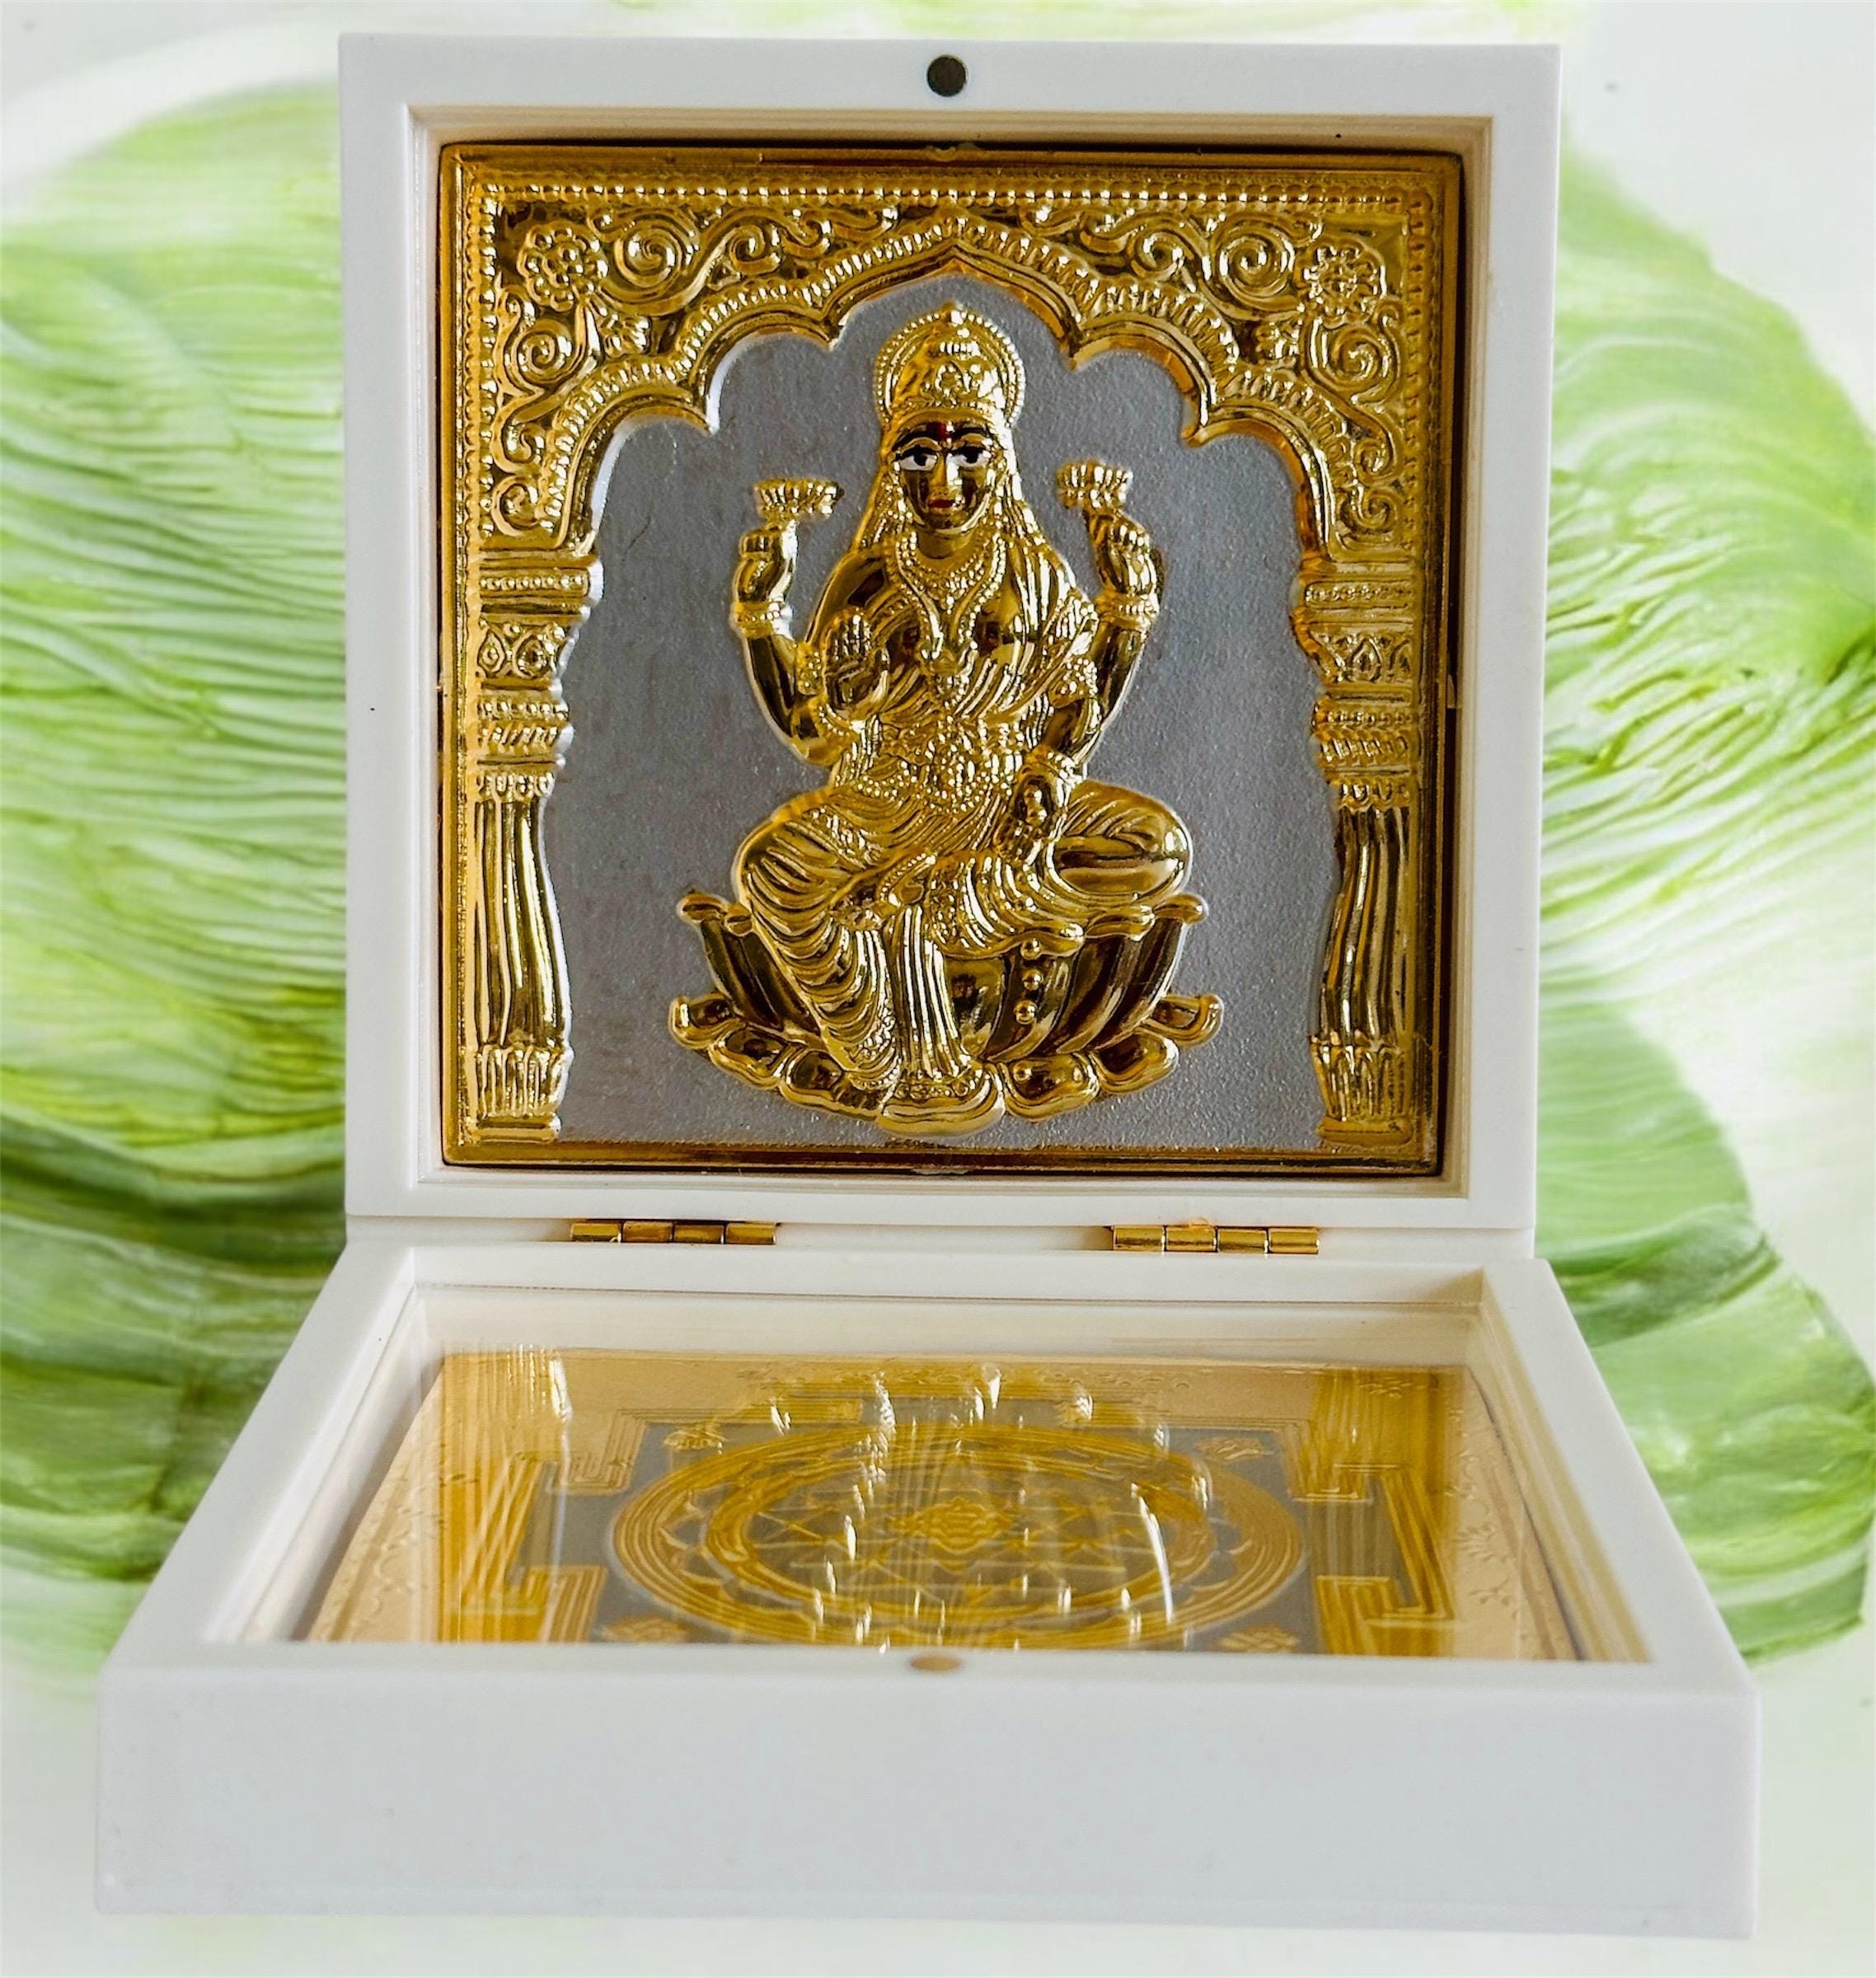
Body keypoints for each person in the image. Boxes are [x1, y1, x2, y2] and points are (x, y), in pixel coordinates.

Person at [716, 302, 1197, 1136]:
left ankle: (940, 900)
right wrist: (761, 618)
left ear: (1000, 459)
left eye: (968, 452)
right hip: (884, 805)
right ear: (891, 464)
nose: (943, 483)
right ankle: (868, 1039)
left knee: (1157, 848)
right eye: (920, 455)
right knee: (768, 871)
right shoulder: (866, 579)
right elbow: (811, 733)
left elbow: (1076, 700)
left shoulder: (1034, 572)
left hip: (1006, 805)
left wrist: (1124, 615)